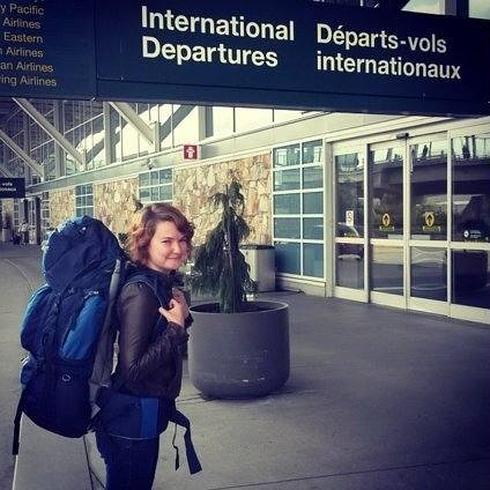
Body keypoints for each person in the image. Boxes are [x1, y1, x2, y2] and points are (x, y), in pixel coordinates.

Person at [95, 203, 195, 489]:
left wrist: (182, 320)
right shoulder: (141, 291)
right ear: (145, 243)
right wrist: (176, 329)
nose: (178, 248)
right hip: (130, 421)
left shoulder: (160, 284)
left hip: (142, 416)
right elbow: (133, 370)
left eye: (182, 239)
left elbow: (158, 342)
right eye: (167, 241)